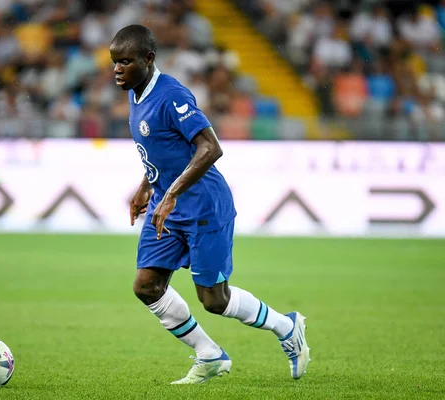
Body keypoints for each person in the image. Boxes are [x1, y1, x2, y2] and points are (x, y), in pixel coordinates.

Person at [110, 24, 311, 384]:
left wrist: (170, 193)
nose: (117, 70)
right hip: (165, 208)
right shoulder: (135, 91)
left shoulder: (172, 95)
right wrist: (146, 185)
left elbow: (210, 147)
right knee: (146, 286)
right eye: (115, 62)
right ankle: (209, 354)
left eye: (125, 62)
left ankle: (287, 327)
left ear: (149, 59)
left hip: (203, 207)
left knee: (214, 300)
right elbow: (162, 147)